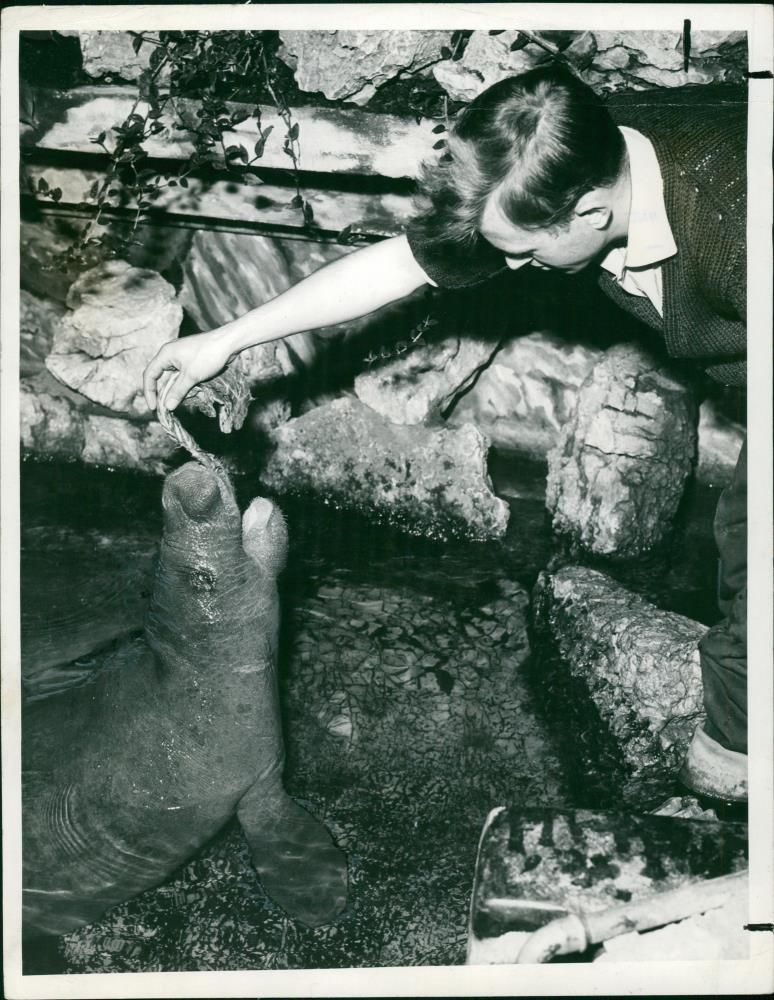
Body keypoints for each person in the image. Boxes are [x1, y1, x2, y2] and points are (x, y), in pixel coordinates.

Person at [143, 65, 748, 803]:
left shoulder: (735, 225)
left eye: (523, 250)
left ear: (591, 213)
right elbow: (403, 265)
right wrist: (227, 340)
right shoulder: (556, 150)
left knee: (748, 548)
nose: (512, 267)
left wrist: (732, 734)